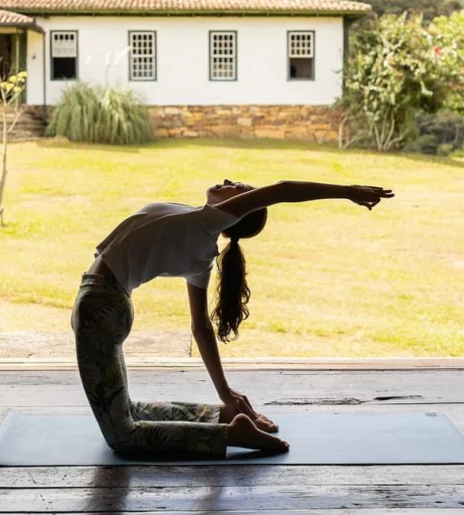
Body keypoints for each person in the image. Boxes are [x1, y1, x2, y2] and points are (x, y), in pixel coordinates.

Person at [71, 179, 394, 456]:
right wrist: (226, 395)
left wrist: (347, 191)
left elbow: (283, 190)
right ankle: (222, 416)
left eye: (238, 188)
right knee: (129, 410)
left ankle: (229, 436)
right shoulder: (199, 234)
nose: (229, 181)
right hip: (103, 304)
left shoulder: (206, 224)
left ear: (236, 212)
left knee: (122, 435)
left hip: (101, 306)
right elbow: (200, 327)